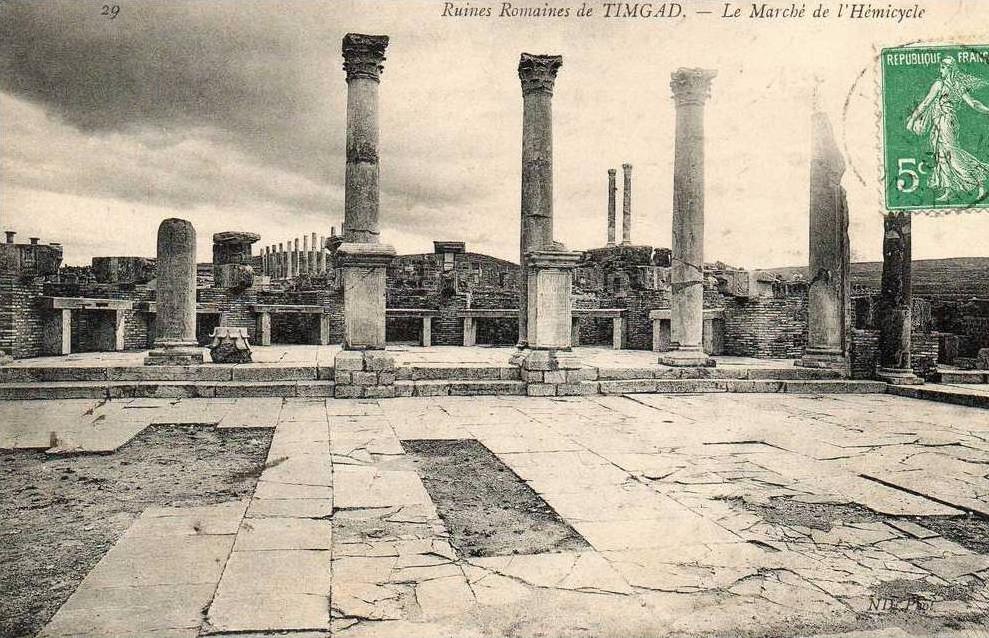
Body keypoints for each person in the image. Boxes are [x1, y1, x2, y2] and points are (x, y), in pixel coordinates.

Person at [906, 56, 989, 202]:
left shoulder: (942, 84)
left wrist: (912, 119)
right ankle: (948, 190)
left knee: (954, 156)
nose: (941, 70)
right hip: (942, 123)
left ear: (950, 69)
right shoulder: (955, 85)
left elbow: (926, 103)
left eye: (944, 67)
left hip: (946, 123)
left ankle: (980, 184)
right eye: (941, 67)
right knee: (942, 156)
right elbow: (974, 104)